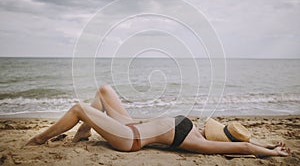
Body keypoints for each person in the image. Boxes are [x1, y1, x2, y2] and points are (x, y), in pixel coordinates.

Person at [26, 85, 291, 157]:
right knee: (104, 89)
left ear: (220, 141)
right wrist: (266, 142)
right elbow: (246, 139)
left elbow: (243, 147)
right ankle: (83, 133)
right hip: (131, 126)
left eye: (223, 133)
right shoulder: (197, 130)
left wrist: (273, 153)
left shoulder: (199, 143)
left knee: (79, 107)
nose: (218, 129)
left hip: (130, 139)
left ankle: (40, 138)